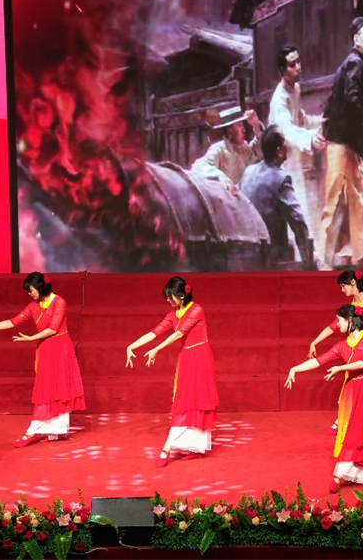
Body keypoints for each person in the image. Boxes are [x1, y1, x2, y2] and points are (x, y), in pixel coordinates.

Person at [0, 272, 86, 446]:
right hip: (45, 348)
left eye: (31, 290)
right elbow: (13, 321)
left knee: (57, 387)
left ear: (40, 287)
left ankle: (34, 431)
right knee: (48, 388)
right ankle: (55, 430)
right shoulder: (33, 306)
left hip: (60, 348)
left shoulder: (59, 302)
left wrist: (31, 338)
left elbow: (53, 329)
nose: (29, 294)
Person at [285, 305, 363, 493]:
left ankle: (356, 473)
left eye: (339, 320)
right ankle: (342, 474)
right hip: (354, 391)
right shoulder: (341, 346)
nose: (337, 324)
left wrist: (340, 368)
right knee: (353, 432)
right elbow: (320, 360)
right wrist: (295, 369)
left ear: (350, 320)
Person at [125, 276, 218, 468]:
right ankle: (192, 447)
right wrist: (131, 346)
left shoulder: (196, 310)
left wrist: (157, 349)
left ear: (182, 295)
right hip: (187, 358)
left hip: (200, 357)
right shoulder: (172, 314)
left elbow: (178, 334)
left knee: (196, 400)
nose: (168, 300)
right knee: (185, 401)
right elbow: (154, 332)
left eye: (171, 296)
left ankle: (168, 448)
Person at [318, 17, 363, 267]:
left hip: (345, 146)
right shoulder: (354, 63)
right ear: (356, 39)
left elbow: (341, 100)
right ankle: (323, 264)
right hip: (340, 147)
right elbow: (352, 101)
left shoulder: (352, 64)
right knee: (335, 203)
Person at [307, 270, 363, 426]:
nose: (342, 290)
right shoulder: (350, 308)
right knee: (357, 378)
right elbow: (332, 327)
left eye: (343, 286)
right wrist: (315, 342)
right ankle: (351, 414)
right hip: (358, 344)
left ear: (353, 282)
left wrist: (358, 324)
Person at [268, 45, 327, 236]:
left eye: (298, 62)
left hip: (296, 158)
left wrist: (322, 122)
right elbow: (286, 129)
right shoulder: (279, 99)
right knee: (295, 209)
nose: (298, 68)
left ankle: (311, 248)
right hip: (281, 161)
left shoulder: (295, 89)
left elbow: (300, 119)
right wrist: (310, 138)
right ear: (282, 70)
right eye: (292, 65)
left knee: (307, 206)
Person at [240, 126, 314, 267]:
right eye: (285, 141)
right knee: (290, 248)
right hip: (270, 251)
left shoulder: (248, 171)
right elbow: (297, 219)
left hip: (248, 248)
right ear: (279, 152)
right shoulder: (280, 178)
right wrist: (307, 259)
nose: (288, 145)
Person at [191, 106, 264, 195]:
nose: (244, 130)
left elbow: (258, 153)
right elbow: (198, 166)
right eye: (239, 125)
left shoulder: (243, 148)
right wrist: (220, 176)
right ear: (230, 131)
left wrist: (256, 125)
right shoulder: (219, 149)